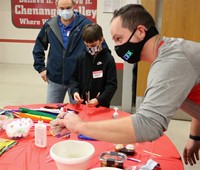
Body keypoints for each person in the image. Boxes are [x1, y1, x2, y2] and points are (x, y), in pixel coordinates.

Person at [53, 4, 200, 166]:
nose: (117, 47)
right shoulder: (170, 52)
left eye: (119, 39)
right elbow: (195, 94)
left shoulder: (171, 62)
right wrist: (196, 136)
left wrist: (80, 126)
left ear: (140, 32)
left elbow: (148, 125)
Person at [33, 0, 93, 103]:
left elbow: (99, 48)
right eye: (62, 8)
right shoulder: (50, 25)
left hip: (78, 80)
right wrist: (41, 69)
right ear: (56, 7)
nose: (65, 11)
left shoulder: (85, 25)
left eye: (68, 8)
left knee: (77, 114)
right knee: (51, 112)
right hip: (55, 78)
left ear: (74, 6)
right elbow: (38, 47)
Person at [69, 23, 117, 108]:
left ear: (101, 40)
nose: (90, 48)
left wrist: (99, 100)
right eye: (87, 45)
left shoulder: (108, 59)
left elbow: (111, 85)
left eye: (93, 45)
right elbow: (73, 79)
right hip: (83, 105)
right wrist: (75, 92)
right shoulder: (81, 58)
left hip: (101, 106)